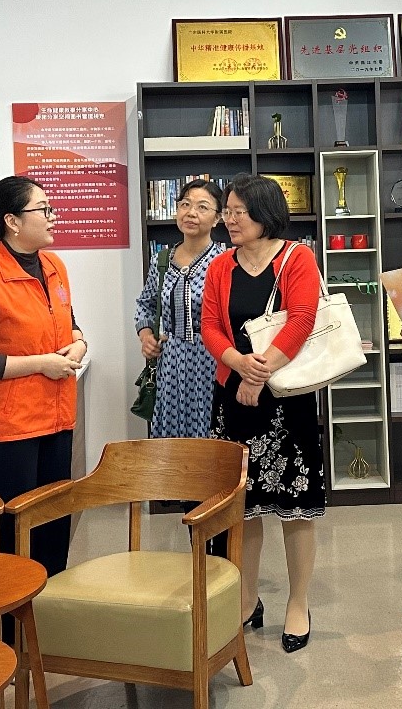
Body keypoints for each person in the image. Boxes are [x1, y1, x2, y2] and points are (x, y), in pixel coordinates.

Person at [201, 173, 322, 654]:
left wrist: (260, 372)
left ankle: (298, 603)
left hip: (287, 397)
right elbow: (211, 326)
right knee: (243, 508)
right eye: (227, 212)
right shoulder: (220, 265)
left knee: (296, 508)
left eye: (239, 212)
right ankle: (247, 598)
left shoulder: (297, 257)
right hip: (233, 396)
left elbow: (302, 318)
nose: (229, 220)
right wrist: (238, 365)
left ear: (265, 214)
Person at [0, 176, 86, 586]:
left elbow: (68, 322)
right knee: (12, 529)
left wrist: (80, 343)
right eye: (42, 209)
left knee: (52, 523)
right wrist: (41, 363)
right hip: (11, 427)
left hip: (57, 417)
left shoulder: (54, 266)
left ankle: (48, 608)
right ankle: (7, 616)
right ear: (12, 221)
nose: (52, 216)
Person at [134, 179, 227, 439]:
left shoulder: (224, 262)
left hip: (212, 361)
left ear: (217, 218)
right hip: (170, 364)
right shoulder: (161, 260)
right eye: (185, 204)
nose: (191, 213)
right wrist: (146, 336)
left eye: (202, 207)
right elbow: (145, 304)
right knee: (171, 440)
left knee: (210, 433)